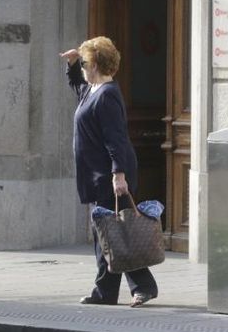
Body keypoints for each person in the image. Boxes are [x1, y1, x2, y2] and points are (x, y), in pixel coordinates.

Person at [60, 36, 158, 308]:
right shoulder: (92, 90)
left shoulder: (108, 95)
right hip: (96, 174)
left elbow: (116, 140)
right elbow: (77, 86)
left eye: (84, 63)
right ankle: (116, 290)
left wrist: (119, 175)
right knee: (110, 232)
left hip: (109, 176)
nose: (82, 68)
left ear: (95, 65)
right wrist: (71, 63)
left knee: (111, 233)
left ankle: (128, 288)